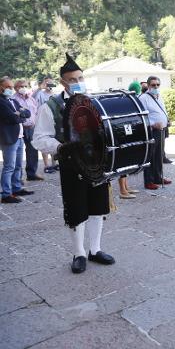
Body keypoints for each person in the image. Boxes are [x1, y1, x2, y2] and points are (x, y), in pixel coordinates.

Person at [32, 53, 115, 273]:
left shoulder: (92, 101)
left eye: (80, 78)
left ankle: (95, 249)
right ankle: (79, 253)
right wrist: (60, 147)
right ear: (63, 82)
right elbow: (39, 138)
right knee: (77, 208)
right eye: (72, 79)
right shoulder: (51, 106)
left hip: (97, 162)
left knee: (99, 206)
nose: (78, 83)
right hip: (72, 163)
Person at [1, 77, 34, 203]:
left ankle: (16, 188)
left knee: (18, 166)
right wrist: (20, 115)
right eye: (7, 87)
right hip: (9, 138)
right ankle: (5, 194)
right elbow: (11, 118)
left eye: (11, 87)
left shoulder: (13, 101)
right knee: (9, 167)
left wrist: (19, 114)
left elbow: (28, 113)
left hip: (19, 137)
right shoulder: (1, 102)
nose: (10, 89)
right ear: (1, 88)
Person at [139, 76, 171, 190]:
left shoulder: (159, 96)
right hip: (151, 131)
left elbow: (161, 110)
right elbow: (142, 116)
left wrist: (166, 119)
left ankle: (158, 177)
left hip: (161, 130)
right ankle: (149, 181)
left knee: (158, 155)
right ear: (148, 86)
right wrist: (153, 124)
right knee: (150, 156)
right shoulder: (143, 98)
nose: (156, 87)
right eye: (153, 85)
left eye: (158, 85)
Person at [12, 80, 43, 181]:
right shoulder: (13, 99)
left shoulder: (31, 99)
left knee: (32, 150)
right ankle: (18, 178)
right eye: (21, 86)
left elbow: (36, 112)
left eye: (25, 86)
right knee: (17, 153)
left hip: (31, 128)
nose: (24, 88)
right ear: (16, 88)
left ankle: (31, 173)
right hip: (19, 128)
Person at [117, 81, 142, 199]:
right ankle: (122, 190)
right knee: (122, 163)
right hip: (124, 133)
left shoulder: (131, 99)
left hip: (128, 132)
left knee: (126, 163)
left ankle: (126, 187)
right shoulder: (127, 100)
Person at [33, 77, 58, 174]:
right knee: (44, 141)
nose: (49, 85)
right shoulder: (40, 94)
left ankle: (54, 163)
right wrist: (40, 88)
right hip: (42, 120)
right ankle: (46, 165)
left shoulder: (55, 95)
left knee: (53, 141)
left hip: (53, 121)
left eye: (51, 83)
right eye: (48, 84)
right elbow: (33, 98)